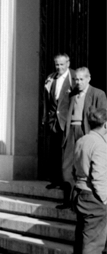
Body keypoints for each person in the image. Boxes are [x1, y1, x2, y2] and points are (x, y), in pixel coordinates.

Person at [71, 107, 107, 254]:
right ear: (105, 124)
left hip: (79, 191)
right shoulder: (100, 144)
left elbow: (73, 167)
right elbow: (99, 176)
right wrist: (106, 199)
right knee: (94, 239)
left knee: (82, 236)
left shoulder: (82, 140)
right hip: (93, 195)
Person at [62, 68, 107, 210]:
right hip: (72, 131)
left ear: (89, 79)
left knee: (87, 165)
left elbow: (103, 115)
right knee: (67, 166)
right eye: (76, 79)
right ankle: (69, 200)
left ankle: (91, 199)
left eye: (81, 79)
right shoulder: (73, 94)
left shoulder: (98, 93)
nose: (78, 82)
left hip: (87, 130)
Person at [43, 53, 75, 204]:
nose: (59, 67)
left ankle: (65, 181)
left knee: (66, 152)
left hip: (67, 121)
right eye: (57, 64)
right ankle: (55, 179)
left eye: (62, 64)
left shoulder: (74, 77)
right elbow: (47, 100)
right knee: (54, 151)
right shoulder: (51, 78)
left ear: (68, 63)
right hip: (54, 121)